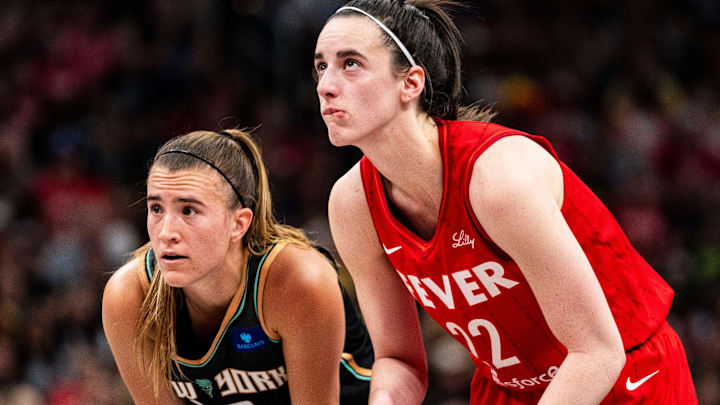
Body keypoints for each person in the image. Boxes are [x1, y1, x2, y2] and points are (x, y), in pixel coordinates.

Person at [314, 1, 697, 404]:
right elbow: (398, 359)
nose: (325, 84)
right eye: (321, 66)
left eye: (350, 63)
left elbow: (597, 352)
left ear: (411, 83)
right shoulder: (351, 204)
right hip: (509, 391)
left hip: (625, 376)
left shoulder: (497, 179)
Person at [102, 129, 373, 405]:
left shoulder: (298, 281)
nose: (165, 232)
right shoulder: (129, 296)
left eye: (189, 211)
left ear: (239, 223)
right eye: (157, 209)